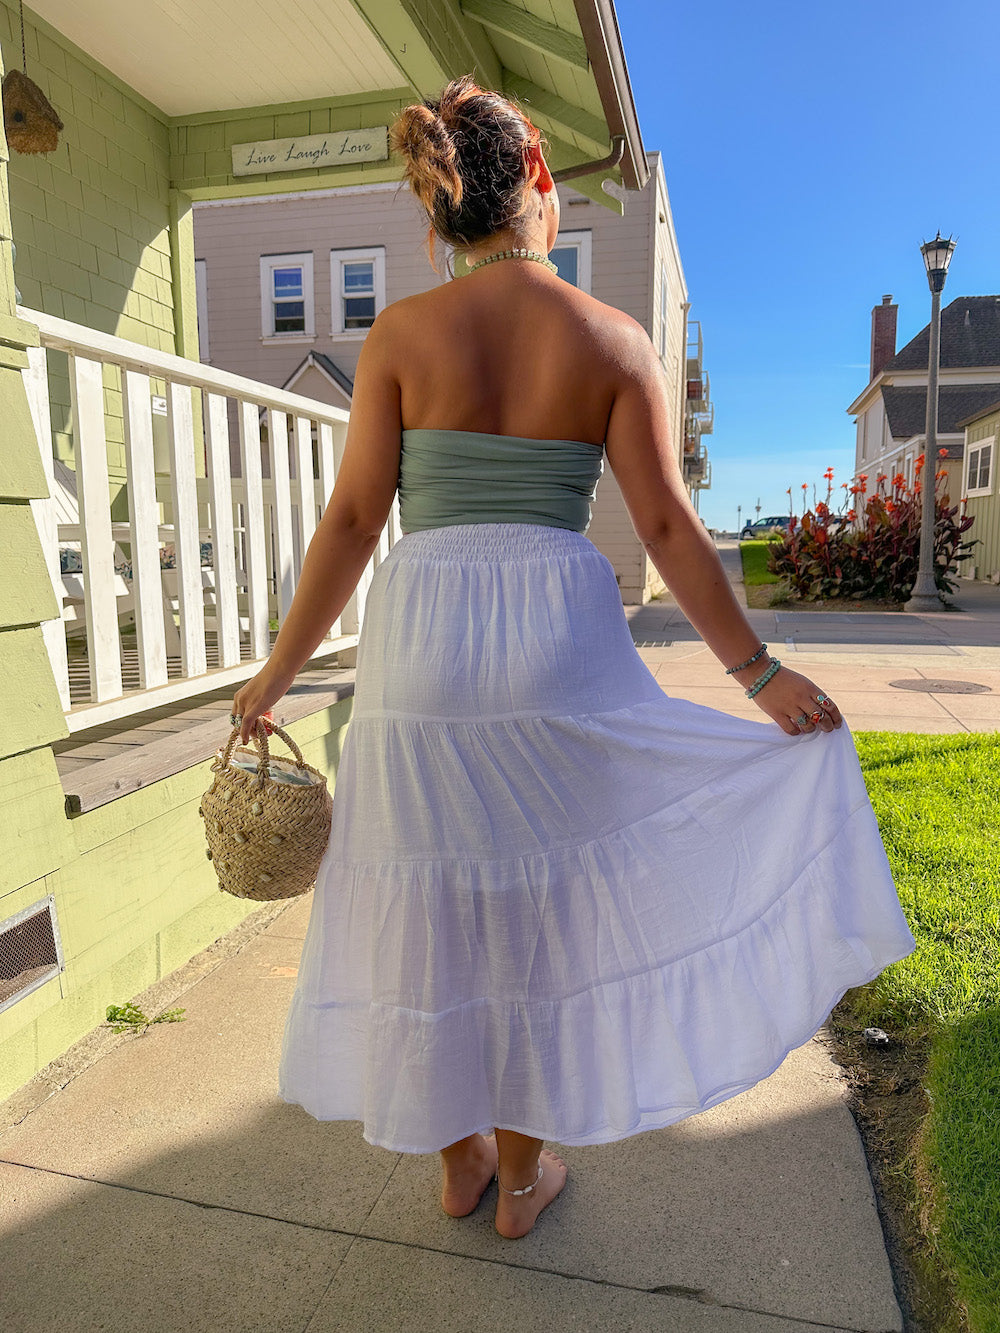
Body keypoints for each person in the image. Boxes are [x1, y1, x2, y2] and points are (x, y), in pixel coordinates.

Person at [231, 76, 915, 1240]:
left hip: (422, 641)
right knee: (539, 914)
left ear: (440, 208)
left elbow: (350, 522)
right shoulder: (610, 339)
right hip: (553, 634)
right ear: (538, 176)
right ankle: (520, 1177)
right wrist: (759, 676)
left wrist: (276, 675)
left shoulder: (399, 335)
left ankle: (455, 1161)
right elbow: (669, 530)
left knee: (430, 901)